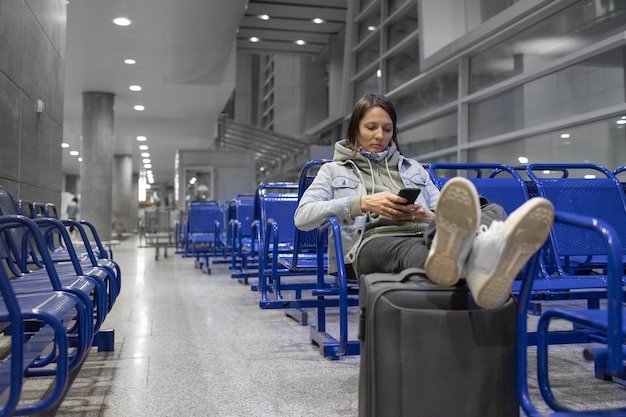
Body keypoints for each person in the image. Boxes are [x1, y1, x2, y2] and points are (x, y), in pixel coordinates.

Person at [294, 93, 555, 309]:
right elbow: (303, 217)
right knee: (422, 254)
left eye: (387, 129)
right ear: (355, 131)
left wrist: (429, 216)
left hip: (426, 234)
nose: (380, 135)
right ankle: (488, 252)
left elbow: (447, 210)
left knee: (490, 207)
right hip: (372, 244)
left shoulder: (413, 168)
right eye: (371, 127)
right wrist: (362, 203)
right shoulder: (333, 170)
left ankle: (473, 256)